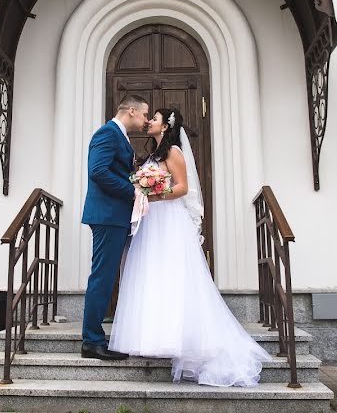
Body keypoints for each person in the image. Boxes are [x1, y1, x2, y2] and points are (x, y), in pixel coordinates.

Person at [109, 107, 272, 386]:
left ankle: (178, 337)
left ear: (166, 126)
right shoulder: (152, 156)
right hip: (151, 222)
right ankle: (153, 336)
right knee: (151, 274)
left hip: (169, 220)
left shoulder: (173, 152)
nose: (149, 122)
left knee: (173, 274)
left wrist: (155, 195)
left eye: (155, 119)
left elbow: (183, 187)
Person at [80, 94, 149, 361]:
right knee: (102, 277)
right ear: (131, 111)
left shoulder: (120, 136)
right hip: (108, 216)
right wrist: (132, 192)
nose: (145, 121)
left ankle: (96, 337)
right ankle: (92, 341)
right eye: (144, 115)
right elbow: (98, 171)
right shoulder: (107, 134)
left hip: (115, 216)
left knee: (108, 277)